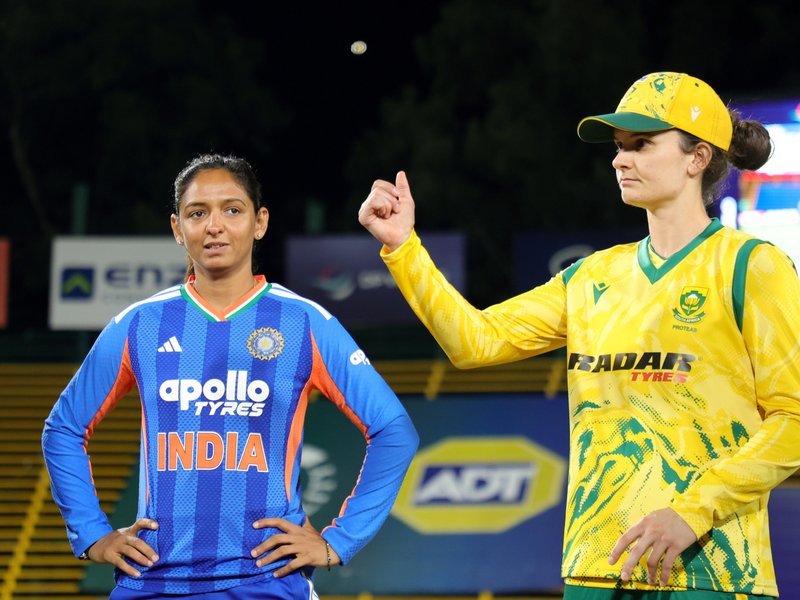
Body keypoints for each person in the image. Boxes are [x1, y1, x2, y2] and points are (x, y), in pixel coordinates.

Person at [358, 72, 800, 599]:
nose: (620, 159)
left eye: (641, 144)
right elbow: (473, 342)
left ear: (697, 157)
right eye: (618, 147)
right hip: (594, 570)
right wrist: (404, 248)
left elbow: (793, 420)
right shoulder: (591, 278)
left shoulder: (753, 266)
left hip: (713, 573)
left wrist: (692, 511)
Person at [43, 153, 419, 599]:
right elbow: (63, 428)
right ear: (177, 229)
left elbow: (394, 430)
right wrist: (92, 535)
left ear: (259, 222)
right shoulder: (139, 324)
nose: (214, 225)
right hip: (152, 583)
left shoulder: (303, 322)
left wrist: (339, 541)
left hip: (268, 583)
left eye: (232, 210)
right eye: (197, 213)